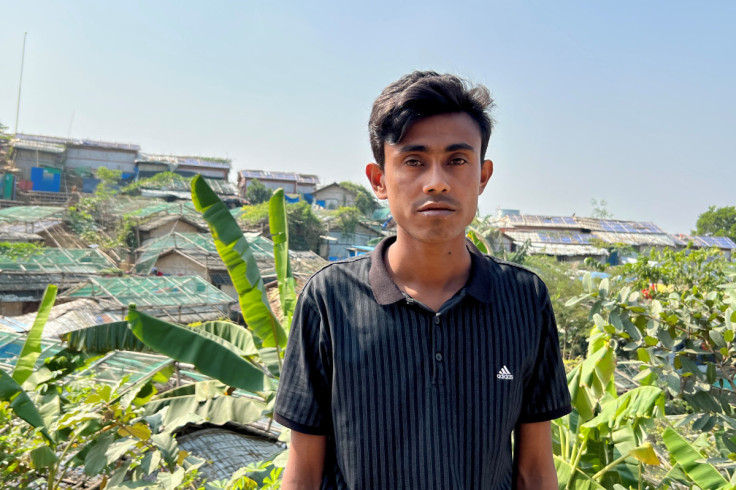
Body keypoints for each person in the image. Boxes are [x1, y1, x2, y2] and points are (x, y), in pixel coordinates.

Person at [274, 71, 572, 489]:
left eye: (457, 160)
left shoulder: (524, 299)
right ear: (379, 180)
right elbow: (303, 471)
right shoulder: (330, 299)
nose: (437, 181)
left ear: (482, 176)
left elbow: (535, 470)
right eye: (414, 161)